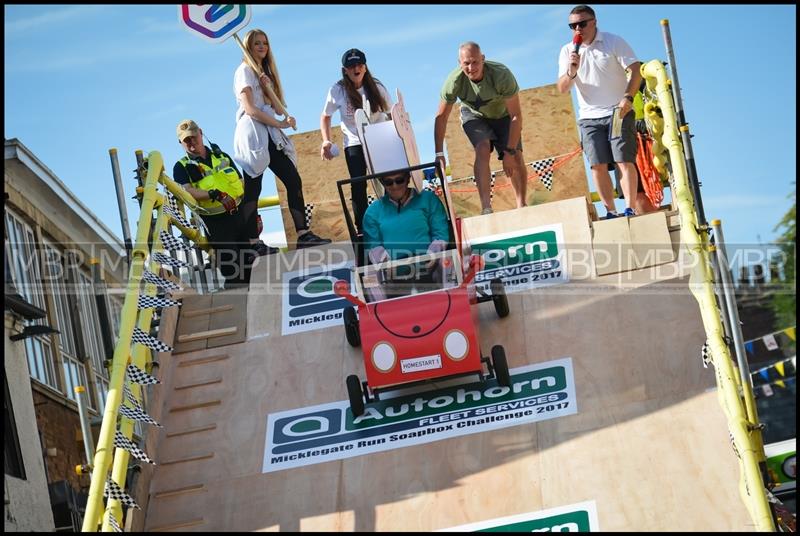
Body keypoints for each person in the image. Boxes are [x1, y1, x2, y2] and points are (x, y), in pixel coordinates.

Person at [232, 28, 331, 249]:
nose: (261, 47)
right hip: (254, 133)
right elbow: (250, 109)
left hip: (269, 132)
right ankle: (253, 241)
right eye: (257, 43)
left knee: (292, 179)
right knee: (253, 188)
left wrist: (268, 88)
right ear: (249, 46)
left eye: (265, 43)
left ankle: (303, 234)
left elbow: (277, 107)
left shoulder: (262, 72)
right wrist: (280, 124)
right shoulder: (244, 71)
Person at [557, 5, 642, 219]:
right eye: (572, 25)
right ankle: (611, 211)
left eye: (582, 23)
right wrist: (571, 70)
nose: (578, 28)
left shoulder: (613, 41)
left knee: (623, 160)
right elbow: (562, 88)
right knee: (597, 165)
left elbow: (636, 71)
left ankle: (629, 208)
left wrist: (628, 98)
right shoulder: (567, 51)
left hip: (618, 111)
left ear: (594, 22)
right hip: (589, 117)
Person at [434, 42, 529, 215]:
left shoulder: (501, 75)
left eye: (475, 62)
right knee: (482, 148)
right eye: (466, 63)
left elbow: (516, 115)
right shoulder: (453, 81)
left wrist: (509, 152)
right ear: (459, 63)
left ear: (483, 59)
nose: (471, 68)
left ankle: (521, 204)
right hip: (473, 115)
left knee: (515, 156)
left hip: (503, 115)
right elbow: (441, 118)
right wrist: (439, 154)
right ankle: (486, 207)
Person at [320, 48, 393, 235]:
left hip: (378, 137)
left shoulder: (377, 87)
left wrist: (397, 138)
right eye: (351, 66)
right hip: (354, 141)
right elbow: (326, 116)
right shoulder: (338, 90)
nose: (356, 69)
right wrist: (326, 141)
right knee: (358, 182)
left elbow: (392, 113)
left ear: (365, 67)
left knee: (387, 178)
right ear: (345, 70)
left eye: (359, 65)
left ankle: (392, 217)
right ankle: (361, 228)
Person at [173, 119, 253, 288]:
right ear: (180, 142)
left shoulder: (221, 156)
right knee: (234, 271)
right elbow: (187, 191)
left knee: (253, 265)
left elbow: (241, 182)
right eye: (186, 140)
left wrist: (253, 214)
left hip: (240, 216)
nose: (191, 142)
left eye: (194, 137)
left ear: (201, 133)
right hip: (217, 224)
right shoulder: (181, 166)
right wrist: (213, 194)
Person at [362, 170, 451, 298]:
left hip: (431, 269)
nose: (394, 186)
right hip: (393, 277)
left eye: (399, 180)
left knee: (447, 264)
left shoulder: (428, 199)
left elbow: (440, 234)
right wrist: (386, 264)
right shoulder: (373, 211)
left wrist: (431, 257)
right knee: (369, 279)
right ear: (382, 183)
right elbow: (372, 245)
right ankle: (382, 312)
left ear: (408, 178)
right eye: (388, 182)